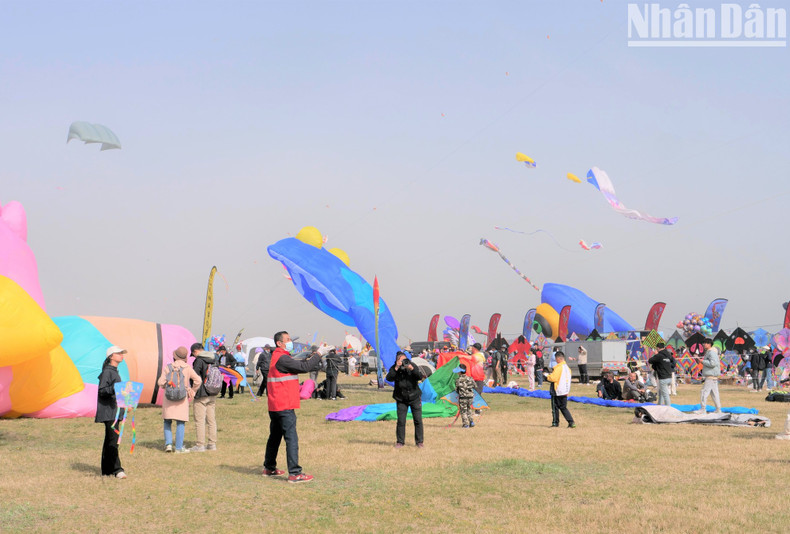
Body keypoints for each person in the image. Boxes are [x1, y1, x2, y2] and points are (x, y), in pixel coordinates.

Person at [263, 330, 322, 483]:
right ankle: (295, 473)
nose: (290, 342)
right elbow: (304, 367)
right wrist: (319, 354)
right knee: (291, 438)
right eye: (287, 339)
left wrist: (311, 357)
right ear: (279, 343)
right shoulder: (282, 358)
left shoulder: (279, 357)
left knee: (274, 437)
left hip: (275, 404)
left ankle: (269, 467)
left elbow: (299, 364)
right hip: (284, 405)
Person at [157, 346, 201, 453]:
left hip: (169, 397)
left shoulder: (168, 367)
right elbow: (198, 380)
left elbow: (160, 382)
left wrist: (166, 386)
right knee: (180, 423)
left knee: (167, 421)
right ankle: (178, 448)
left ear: (175, 356)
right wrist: (192, 390)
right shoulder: (187, 368)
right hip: (182, 398)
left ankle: (168, 444)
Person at [96, 345, 128, 478]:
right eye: (118, 353)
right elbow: (102, 391)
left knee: (110, 440)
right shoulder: (107, 372)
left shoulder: (114, 371)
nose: (121, 355)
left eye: (122, 353)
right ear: (111, 356)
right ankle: (117, 470)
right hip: (109, 412)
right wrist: (116, 387)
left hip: (114, 411)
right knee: (113, 441)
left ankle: (107, 470)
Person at [386, 351, 424, 448]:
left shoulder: (412, 365)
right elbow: (389, 378)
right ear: (397, 361)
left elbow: (420, 377)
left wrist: (412, 369)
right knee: (401, 421)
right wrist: (396, 367)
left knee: (418, 420)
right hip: (401, 398)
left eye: (404, 360)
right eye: (401, 360)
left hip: (415, 397)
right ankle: (400, 442)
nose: (403, 362)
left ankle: (419, 442)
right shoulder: (394, 368)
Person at [191, 344, 218, 452]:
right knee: (211, 420)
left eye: (193, 354)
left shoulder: (199, 360)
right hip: (213, 392)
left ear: (195, 351)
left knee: (200, 420)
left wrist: (192, 390)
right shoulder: (214, 358)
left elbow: (194, 377)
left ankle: (200, 445)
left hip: (201, 394)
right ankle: (212, 444)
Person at [545, 352, 575, 428]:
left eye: (556, 358)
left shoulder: (558, 368)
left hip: (557, 390)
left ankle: (555, 423)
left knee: (555, 407)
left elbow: (553, 378)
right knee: (563, 407)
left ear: (558, 358)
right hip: (565, 390)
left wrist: (547, 376)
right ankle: (571, 422)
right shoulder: (567, 368)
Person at [698, 338, 722, 414]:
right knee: (715, 394)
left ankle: (703, 409)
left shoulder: (711, 352)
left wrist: (702, 361)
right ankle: (718, 409)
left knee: (704, 392)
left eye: (706, 343)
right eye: (704, 343)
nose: (704, 344)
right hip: (713, 376)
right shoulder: (711, 352)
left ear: (710, 344)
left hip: (710, 376)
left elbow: (713, 363)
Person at [454, 363, 476, 428]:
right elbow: (475, 386)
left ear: (460, 371)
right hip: (470, 397)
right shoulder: (470, 378)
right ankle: (471, 422)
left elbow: (456, 390)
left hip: (463, 398)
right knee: (469, 409)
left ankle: (465, 424)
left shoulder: (458, 380)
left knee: (463, 411)